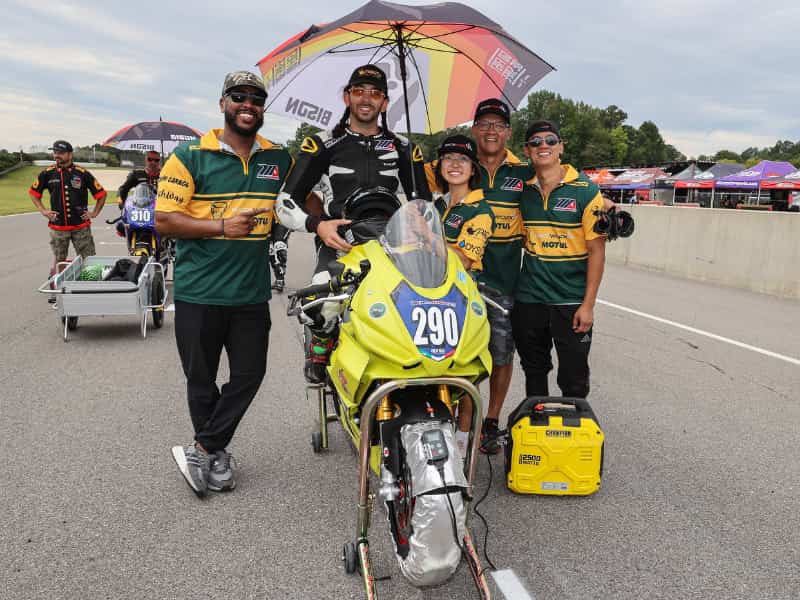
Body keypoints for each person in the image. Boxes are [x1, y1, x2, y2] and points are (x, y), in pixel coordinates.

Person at [155, 71, 293, 497]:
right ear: (223, 104)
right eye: (239, 96)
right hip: (199, 292)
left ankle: (204, 446)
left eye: (256, 98)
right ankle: (215, 455)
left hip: (250, 292)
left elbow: (302, 195)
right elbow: (163, 220)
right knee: (201, 380)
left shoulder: (278, 159)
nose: (247, 104)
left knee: (251, 373)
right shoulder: (190, 156)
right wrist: (220, 226)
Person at [276, 63, 431, 383]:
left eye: (375, 94)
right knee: (318, 307)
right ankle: (319, 344)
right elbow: (284, 202)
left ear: (385, 103)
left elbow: (425, 205)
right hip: (340, 244)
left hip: (393, 245)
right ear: (347, 97)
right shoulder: (321, 143)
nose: (366, 99)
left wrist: (423, 223)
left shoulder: (404, 146)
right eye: (359, 91)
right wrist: (317, 225)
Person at [425, 98, 530, 454]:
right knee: (457, 355)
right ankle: (450, 420)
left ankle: (490, 421)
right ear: (474, 130)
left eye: (498, 125)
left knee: (500, 354)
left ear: (507, 133)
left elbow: (554, 178)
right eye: (484, 123)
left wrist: (603, 201)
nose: (491, 130)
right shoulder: (454, 169)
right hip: (449, 286)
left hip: (500, 277)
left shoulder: (522, 170)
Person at [512, 120, 606, 400]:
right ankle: (537, 434)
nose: (544, 146)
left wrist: (588, 305)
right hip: (530, 299)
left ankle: (572, 439)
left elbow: (597, 252)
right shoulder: (523, 191)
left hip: (571, 300)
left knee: (574, 381)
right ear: (527, 151)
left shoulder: (586, 191)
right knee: (534, 372)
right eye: (536, 142)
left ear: (561, 146)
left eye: (551, 140)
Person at [431, 134, 494, 457]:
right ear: (440, 166)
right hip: (431, 298)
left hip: (464, 302)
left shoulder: (481, 209)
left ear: (473, 169)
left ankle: (462, 443)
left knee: (466, 373)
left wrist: (428, 241)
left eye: (463, 160)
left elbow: (466, 258)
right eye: (448, 159)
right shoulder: (437, 205)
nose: (454, 165)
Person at [28, 140, 107, 298]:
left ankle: (91, 290)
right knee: (59, 258)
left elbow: (101, 194)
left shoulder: (82, 173)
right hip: (58, 227)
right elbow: (33, 193)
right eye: (55, 152)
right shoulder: (47, 173)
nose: (57, 155)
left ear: (70, 154)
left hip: (81, 225)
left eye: (61, 153)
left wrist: (94, 213)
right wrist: (43, 210)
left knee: (89, 258)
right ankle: (59, 290)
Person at [115, 150, 162, 236]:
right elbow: (123, 189)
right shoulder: (136, 174)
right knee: (120, 227)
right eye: (150, 159)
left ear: (159, 161)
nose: (153, 162)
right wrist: (121, 202)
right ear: (145, 160)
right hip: (140, 210)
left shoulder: (165, 175)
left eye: (156, 160)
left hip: (160, 211)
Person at [268, 221, 290, 292]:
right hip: (267, 220)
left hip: (282, 220)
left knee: (280, 248)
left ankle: (280, 280)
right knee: (270, 250)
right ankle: (279, 279)